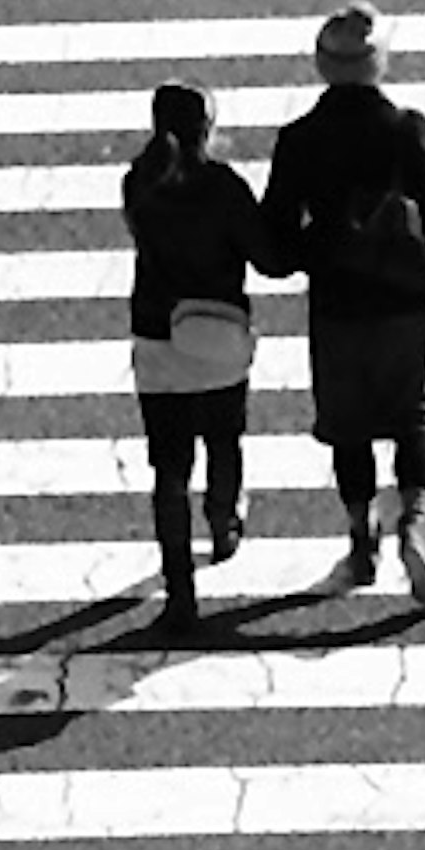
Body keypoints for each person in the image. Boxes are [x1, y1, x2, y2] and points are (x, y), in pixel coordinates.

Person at [252, 7, 425, 599]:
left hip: (337, 303)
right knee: (413, 417)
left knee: (348, 428)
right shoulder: (406, 130)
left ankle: (361, 539)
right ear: (379, 63)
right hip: (401, 299)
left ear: (322, 66)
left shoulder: (299, 139)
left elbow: (275, 239)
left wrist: (311, 249)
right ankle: (416, 525)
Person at [119, 77, 260, 634]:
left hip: (158, 336)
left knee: (169, 467)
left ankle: (180, 589)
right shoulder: (223, 186)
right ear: (208, 128)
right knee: (224, 438)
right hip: (219, 330)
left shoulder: (138, 182)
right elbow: (267, 252)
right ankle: (223, 521)